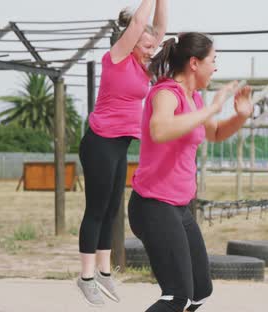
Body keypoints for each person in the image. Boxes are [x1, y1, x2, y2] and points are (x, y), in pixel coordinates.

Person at [128, 32, 253, 312]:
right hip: (152, 205)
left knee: (199, 292)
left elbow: (217, 132)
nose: (216, 66)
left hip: (179, 208)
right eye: (213, 60)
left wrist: (241, 115)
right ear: (194, 63)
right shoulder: (165, 93)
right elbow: (159, 130)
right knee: (177, 296)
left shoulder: (194, 99)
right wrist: (212, 108)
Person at [76, 0, 168, 306]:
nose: (151, 49)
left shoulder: (145, 67)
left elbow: (160, 28)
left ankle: (103, 272)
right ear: (130, 40)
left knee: (112, 212)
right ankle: (86, 277)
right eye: (145, 44)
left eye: (153, 46)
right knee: (96, 210)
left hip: (120, 145)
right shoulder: (116, 58)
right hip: (100, 142)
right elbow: (139, 25)